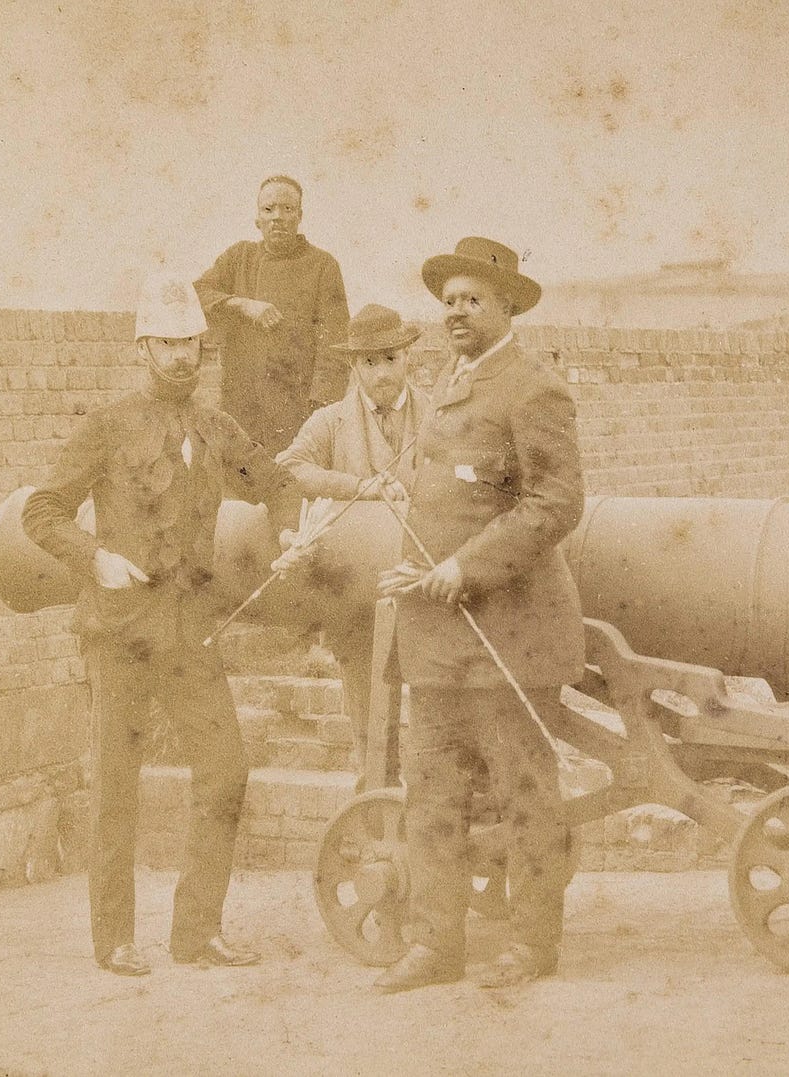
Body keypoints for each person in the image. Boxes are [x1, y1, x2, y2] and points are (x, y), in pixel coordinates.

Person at [22, 271, 308, 976]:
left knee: (226, 769)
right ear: (142, 348)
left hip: (190, 631)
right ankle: (115, 939)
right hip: (119, 630)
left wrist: (290, 528)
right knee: (116, 784)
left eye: (191, 344)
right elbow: (42, 511)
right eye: (167, 344)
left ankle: (197, 932)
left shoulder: (218, 428)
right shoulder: (108, 425)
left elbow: (277, 481)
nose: (182, 357)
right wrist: (95, 558)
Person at [374, 237, 585, 993]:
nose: (456, 312)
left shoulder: (534, 388)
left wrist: (466, 567)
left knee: (526, 794)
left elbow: (556, 503)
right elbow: (446, 485)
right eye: (449, 301)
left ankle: (532, 944)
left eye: (472, 300)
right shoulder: (450, 382)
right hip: (436, 635)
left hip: (508, 634)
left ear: (506, 308)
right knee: (432, 795)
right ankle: (436, 945)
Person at [276, 303, 430, 776]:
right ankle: (374, 804)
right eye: (369, 361)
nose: (381, 372)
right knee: (368, 719)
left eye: (391, 359)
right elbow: (288, 469)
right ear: (353, 365)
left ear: (408, 357)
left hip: (427, 586)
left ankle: (428, 805)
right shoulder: (330, 422)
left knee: (435, 721)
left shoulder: (438, 416)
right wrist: (357, 487)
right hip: (358, 598)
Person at [194, 175, 351, 454]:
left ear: (299, 216)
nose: (277, 217)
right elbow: (196, 293)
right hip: (242, 405)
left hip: (296, 411)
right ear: (258, 219)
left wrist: (321, 413)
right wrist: (243, 304)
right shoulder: (239, 257)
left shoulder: (322, 265)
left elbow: (335, 348)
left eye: (287, 209)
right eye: (268, 209)